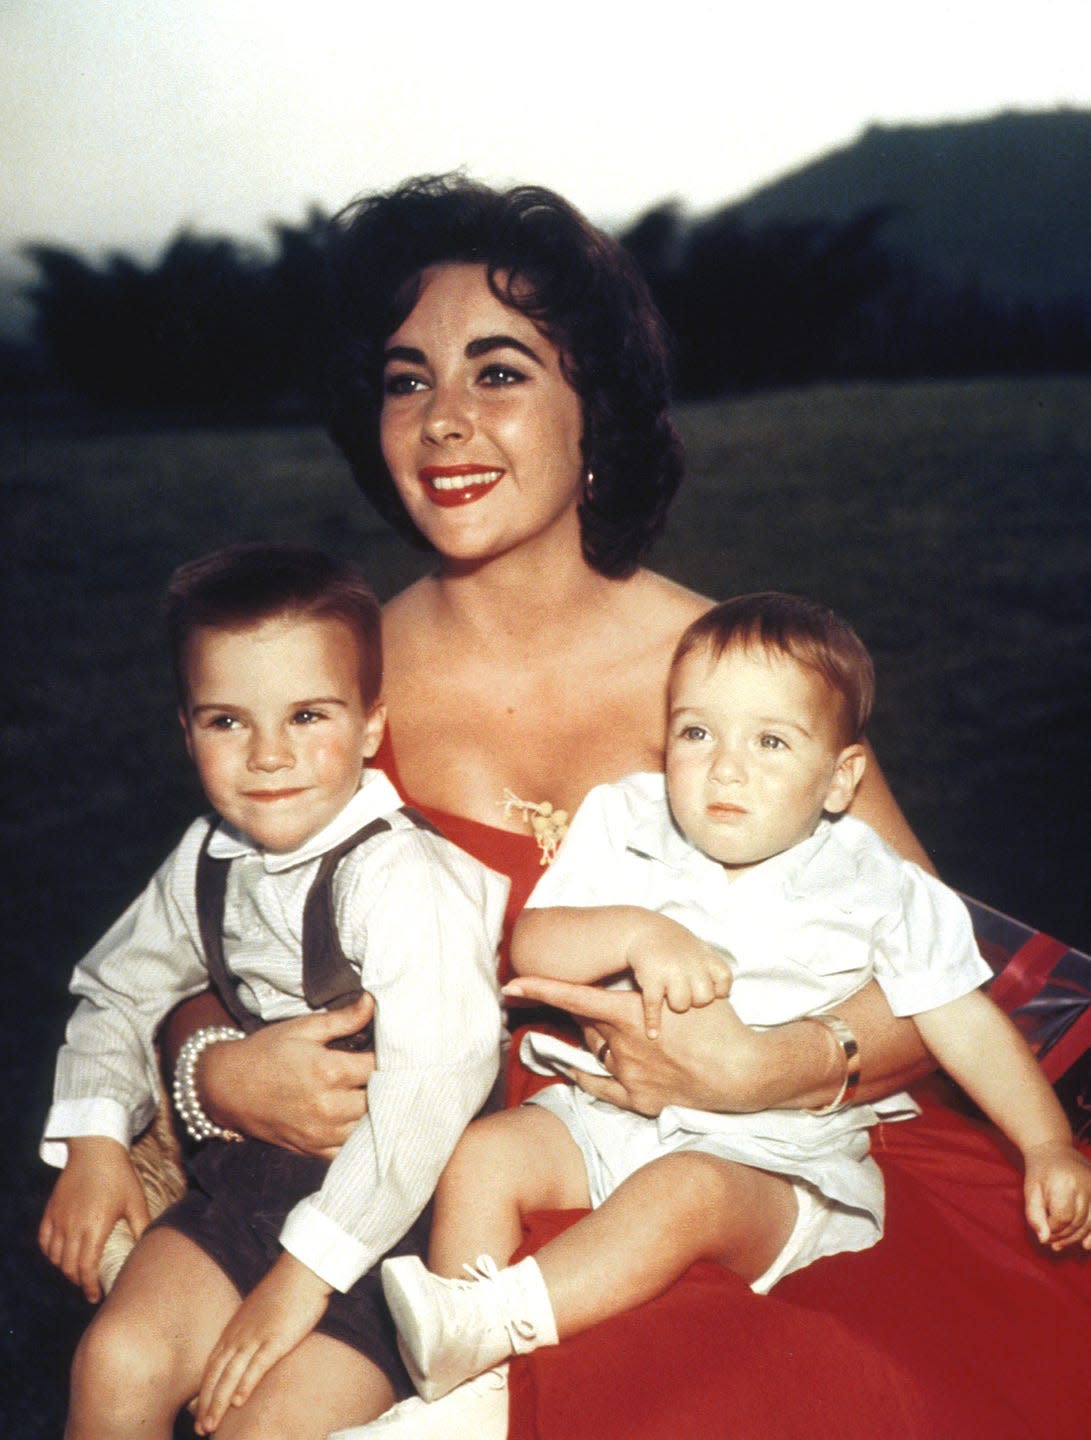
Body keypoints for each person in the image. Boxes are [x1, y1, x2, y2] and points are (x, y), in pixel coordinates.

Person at [164, 176, 1091, 1440]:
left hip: (764, 1178)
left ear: (592, 406)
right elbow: (207, 936)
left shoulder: (738, 684)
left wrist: (778, 1066)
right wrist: (216, 1073)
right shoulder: (331, 685)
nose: (444, 423)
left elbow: (928, 973)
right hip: (466, 1183)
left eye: (498, 374)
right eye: (404, 379)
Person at [375, 592, 1091, 1433]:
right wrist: (639, 932)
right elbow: (535, 946)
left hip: (778, 1165)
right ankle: (468, 1379)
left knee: (686, 1190)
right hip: (609, 1114)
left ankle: (492, 1324)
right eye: (696, 732)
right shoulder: (629, 822)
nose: (725, 768)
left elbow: (958, 1016)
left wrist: (1043, 1144)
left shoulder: (874, 880)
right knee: (484, 1157)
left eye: (770, 741)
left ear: (840, 778)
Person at [38, 543, 506, 1440]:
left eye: (306, 715)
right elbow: (117, 985)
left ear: (372, 725)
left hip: (400, 1222)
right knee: (117, 1358)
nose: (268, 756)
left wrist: (306, 1271)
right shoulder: (208, 856)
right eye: (227, 722)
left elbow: (435, 1083)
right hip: (252, 1185)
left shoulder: (400, 878)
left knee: (269, 1428)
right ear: (186, 729)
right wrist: (95, 1135)